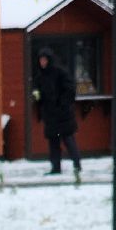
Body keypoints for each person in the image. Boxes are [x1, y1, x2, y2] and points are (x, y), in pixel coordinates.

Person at [33, 48, 80, 177]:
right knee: (53, 142)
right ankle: (55, 167)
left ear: (49, 60)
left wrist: (63, 104)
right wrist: (37, 96)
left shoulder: (60, 73)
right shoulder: (40, 76)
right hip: (50, 115)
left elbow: (70, 89)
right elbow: (37, 91)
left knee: (68, 140)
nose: (42, 62)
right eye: (41, 60)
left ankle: (77, 165)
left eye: (44, 60)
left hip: (63, 114)